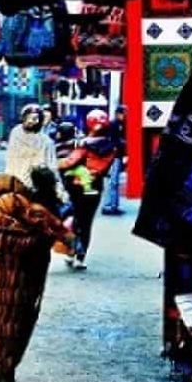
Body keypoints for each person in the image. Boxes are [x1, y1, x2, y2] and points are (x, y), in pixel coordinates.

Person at [58, 110, 119, 271]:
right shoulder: (111, 146)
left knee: (74, 217)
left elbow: (69, 162)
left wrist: (54, 163)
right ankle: (80, 256)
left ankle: (71, 251)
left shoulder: (84, 144)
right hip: (95, 186)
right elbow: (104, 167)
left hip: (77, 186)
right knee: (87, 222)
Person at [4, 103, 68, 213]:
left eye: (34, 118)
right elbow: (11, 159)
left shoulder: (46, 141)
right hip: (15, 182)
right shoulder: (16, 133)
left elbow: (51, 167)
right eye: (28, 117)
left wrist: (59, 189)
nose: (30, 121)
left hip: (37, 186)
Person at [101, 106, 128, 216]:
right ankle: (108, 206)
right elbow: (112, 141)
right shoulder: (113, 125)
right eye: (123, 113)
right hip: (113, 156)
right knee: (113, 182)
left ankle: (114, 205)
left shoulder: (120, 124)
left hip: (118, 156)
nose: (125, 115)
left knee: (115, 182)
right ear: (118, 113)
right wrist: (122, 143)